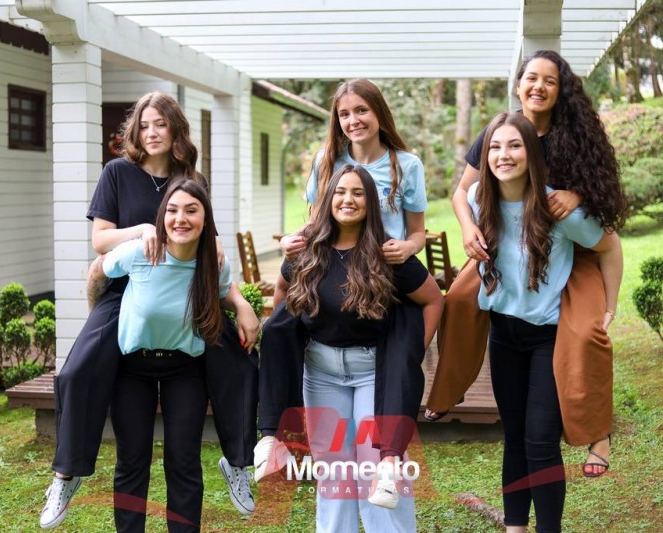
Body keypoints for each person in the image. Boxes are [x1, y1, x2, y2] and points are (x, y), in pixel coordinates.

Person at [40, 92, 257, 529]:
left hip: (187, 293)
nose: (152, 132)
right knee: (76, 371)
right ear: (135, 132)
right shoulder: (118, 173)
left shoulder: (191, 178)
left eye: (161, 124)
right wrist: (143, 229)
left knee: (239, 362)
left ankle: (238, 462)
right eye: (144, 125)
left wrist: (239, 303)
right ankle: (67, 472)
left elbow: (212, 247)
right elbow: (100, 242)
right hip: (125, 290)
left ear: (176, 128)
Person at [425, 50, 626, 477]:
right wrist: (468, 229)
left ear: (561, 90)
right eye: (531, 77)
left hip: (570, 251)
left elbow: (602, 204)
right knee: (457, 302)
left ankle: (598, 432)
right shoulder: (501, 132)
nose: (539, 86)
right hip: (508, 247)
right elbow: (462, 192)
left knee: (587, 332)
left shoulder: (576, 135)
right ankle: (446, 392)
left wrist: (578, 195)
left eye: (550, 80)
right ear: (518, 85)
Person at [255, 79, 428, 482]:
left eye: (361, 110)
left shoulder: (406, 165)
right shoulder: (326, 160)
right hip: (330, 278)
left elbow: (418, 232)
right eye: (344, 114)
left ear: (379, 113)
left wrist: (408, 248)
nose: (353, 121)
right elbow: (317, 222)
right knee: (278, 330)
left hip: (384, 282)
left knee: (374, 449)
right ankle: (273, 437)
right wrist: (293, 241)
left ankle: (387, 469)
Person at [472, 112, 622, 532]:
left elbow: (610, 246)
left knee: (539, 439)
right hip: (503, 334)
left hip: (548, 339)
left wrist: (609, 307)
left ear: (532, 154)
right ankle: (515, 527)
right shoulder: (478, 201)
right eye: (495, 147)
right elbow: (460, 198)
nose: (504, 155)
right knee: (515, 438)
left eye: (514, 145)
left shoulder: (558, 209)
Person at [273, 165, 442, 532]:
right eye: (340, 192)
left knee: (377, 463)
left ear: (370, 203)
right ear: (327, 199)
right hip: (321, 373)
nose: (347, 199)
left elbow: (433, 300)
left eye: (358, 192)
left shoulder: (389, 255)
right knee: (333, 467)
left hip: (372, 373)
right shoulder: (306, 251)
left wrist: (410, 351)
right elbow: (283, 293)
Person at [95, 178, 258, 532]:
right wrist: (97, 318)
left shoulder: (213, 262)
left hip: (185, 370)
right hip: (132, 369)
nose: (180, 219)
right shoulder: (140, 251)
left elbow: (225, 290)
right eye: (172, 210)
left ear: (205, 218)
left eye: (191, 210)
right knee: (131, 462)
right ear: (162, 216)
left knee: (184, 462)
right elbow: (97, 271)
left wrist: (243, 305)